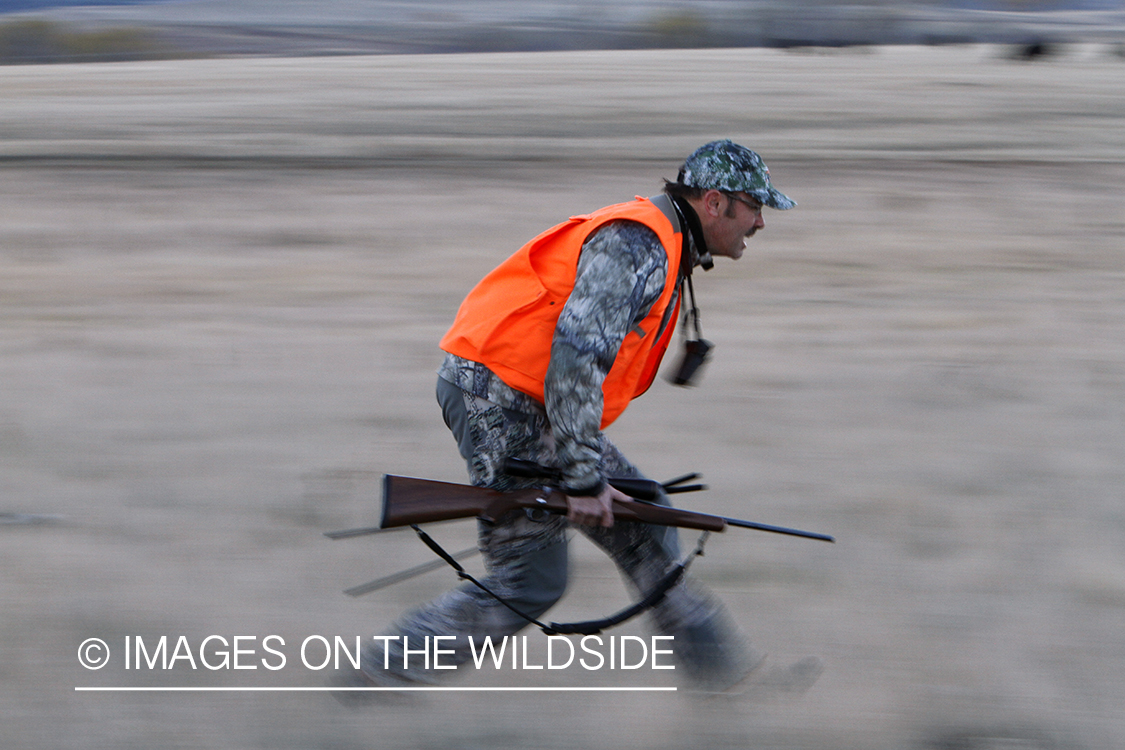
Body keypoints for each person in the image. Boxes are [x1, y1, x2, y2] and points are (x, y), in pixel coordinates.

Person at [354, 140, 807, 694]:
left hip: (531, 400)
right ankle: (373, 681)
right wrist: (586, 479)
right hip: (498, 396)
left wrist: (587, 473)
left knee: (646, 520)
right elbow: (575, 358)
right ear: (714, 203)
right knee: (530, 581)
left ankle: (730, 694)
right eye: (755, 207)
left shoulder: (663, 243)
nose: (760, 222)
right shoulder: (636, 246)